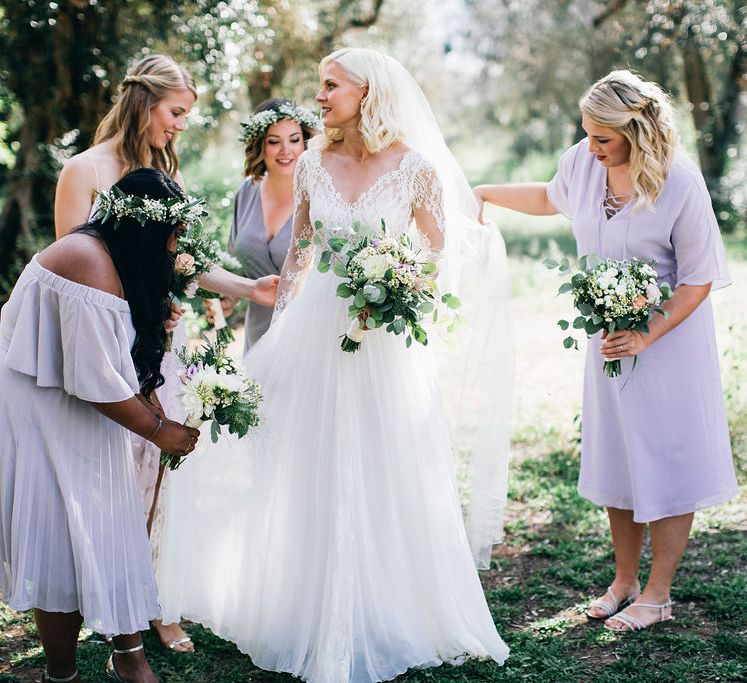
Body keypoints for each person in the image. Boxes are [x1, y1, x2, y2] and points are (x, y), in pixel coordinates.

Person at [157, 48, 511, 682]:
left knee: (384, 463)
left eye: (331, 85)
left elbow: (434, 257)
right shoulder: (314, 163)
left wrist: (399, 292)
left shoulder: (415, 169)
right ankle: (309, 606)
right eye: (320, 85)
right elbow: (299, 255)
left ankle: (384, 609)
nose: (319, 96)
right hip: (317, 331)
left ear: (367, 92)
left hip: (383, 342)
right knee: (305, 462)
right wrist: (282, 330)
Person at [474, 69, 737, 632]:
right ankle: (623, 581)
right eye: (587, 135)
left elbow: (696, 279)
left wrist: (646, 333)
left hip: (669, 344)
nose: (591, 149)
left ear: (637, 132)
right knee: (618, 457)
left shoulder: (681, 183)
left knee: (666, 459)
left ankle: (659, 593)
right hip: (610, 345)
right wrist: (485, 193)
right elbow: (551, 197)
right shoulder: (583, 162)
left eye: (603, 139)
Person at [53, 54, 278, 652]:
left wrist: (245, 288)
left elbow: (176, 258)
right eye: (176, 112)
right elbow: (79, 272)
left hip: (159, 340)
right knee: (112, 470)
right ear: (144, 102)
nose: (180, 125)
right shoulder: (84, 171)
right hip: (109, 345)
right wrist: (143, 306)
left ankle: (158, 598)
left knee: (162, 473)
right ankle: (107, 599)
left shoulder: (160, 172)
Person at [0, 169, 201, 683]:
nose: (175, 244)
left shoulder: (115, 256)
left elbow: (116, 358)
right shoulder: (87, 258)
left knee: (110, 518)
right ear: (143, 227)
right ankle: (61, 672)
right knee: (60, 533)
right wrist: (161, 430)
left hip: (81, 400)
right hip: (40, 407)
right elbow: (98, 382)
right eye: (172, 232)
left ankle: (128, 653)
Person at [220, 98, 320, 352]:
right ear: (259, 146)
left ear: (306, 140)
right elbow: (233, 260)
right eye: (274, 141)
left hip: (309, 336)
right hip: (257, 336)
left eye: (294, 140)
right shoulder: (247, 191)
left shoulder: (321, 195)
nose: (286, 150)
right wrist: (227, 296)